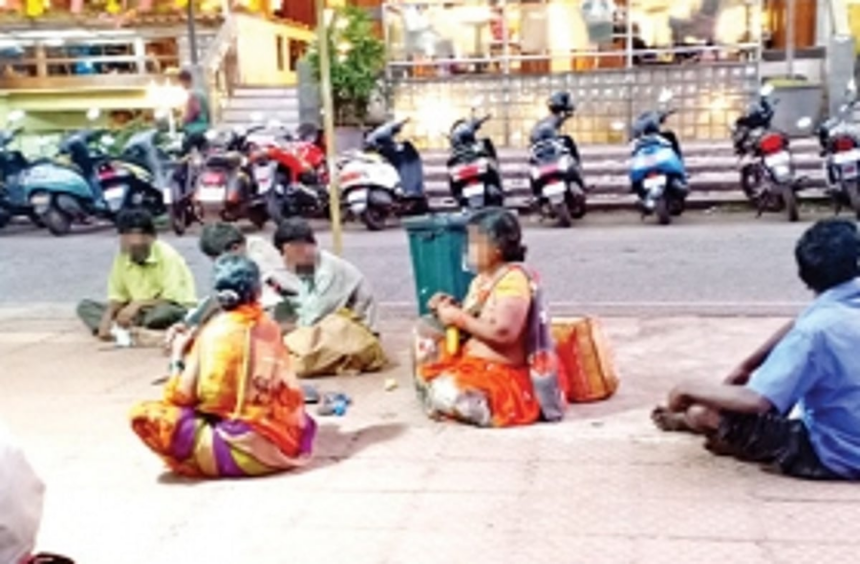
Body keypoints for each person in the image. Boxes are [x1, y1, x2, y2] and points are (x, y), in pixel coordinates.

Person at [652, 219, 860, 480]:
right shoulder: (825, 317)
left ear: (806, 278)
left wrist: (685, 387)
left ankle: (701, 426)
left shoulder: (815, 333)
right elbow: (808, 318)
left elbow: (757, 402)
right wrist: (749, 364)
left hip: (837, 452)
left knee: (704, 412)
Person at [130, 254, 316, 478]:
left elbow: (181, 397)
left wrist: (178, 354)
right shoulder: (270, 326)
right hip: (281, 447)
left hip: (233, 454)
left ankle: (210, 454)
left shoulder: (212, 333)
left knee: (146, 415)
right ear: (257, 292)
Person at [414, 208, 562, 427]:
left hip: (503, 376)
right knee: (424, 328)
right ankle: (442, 394)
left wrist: (458, 318)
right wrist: (445, 309)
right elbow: (475, 321)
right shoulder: (482, 279)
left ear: (497, 249)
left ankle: (469, 403)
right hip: (475, 365)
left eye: (474, 243)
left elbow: (504, 333)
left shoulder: (513, 280)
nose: (467, 250)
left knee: (447, 393)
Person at [273, 218, 386, 377]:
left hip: (359, 331)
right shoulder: (306, 264)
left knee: (298, 362)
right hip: (331, 326)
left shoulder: (329, 271)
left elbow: (313, 317)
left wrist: (282, 330)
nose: (285, 260)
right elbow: (305, 303)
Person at [76, 209, 197, 341]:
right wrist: (107, 317)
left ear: (151, 238)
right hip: (135, 312)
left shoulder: (168, 256)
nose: (132, 248)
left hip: (166, 308)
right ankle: (126, 329)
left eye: (138, 245)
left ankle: (130, 329)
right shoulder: (122, 256)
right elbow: (118, 296)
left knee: (161, 315)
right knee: (85, 307)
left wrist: (137, 305)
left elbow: (171, 298)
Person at [178, 68, 210, 154]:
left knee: (185, 154)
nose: (181, 85)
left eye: (181, 83)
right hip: (204, 128)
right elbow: (208, 112)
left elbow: (192, 113)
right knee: (204, 154)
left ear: (185, 81)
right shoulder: (202, 93)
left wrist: (182, 119)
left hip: (194, 131)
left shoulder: (192, 95)